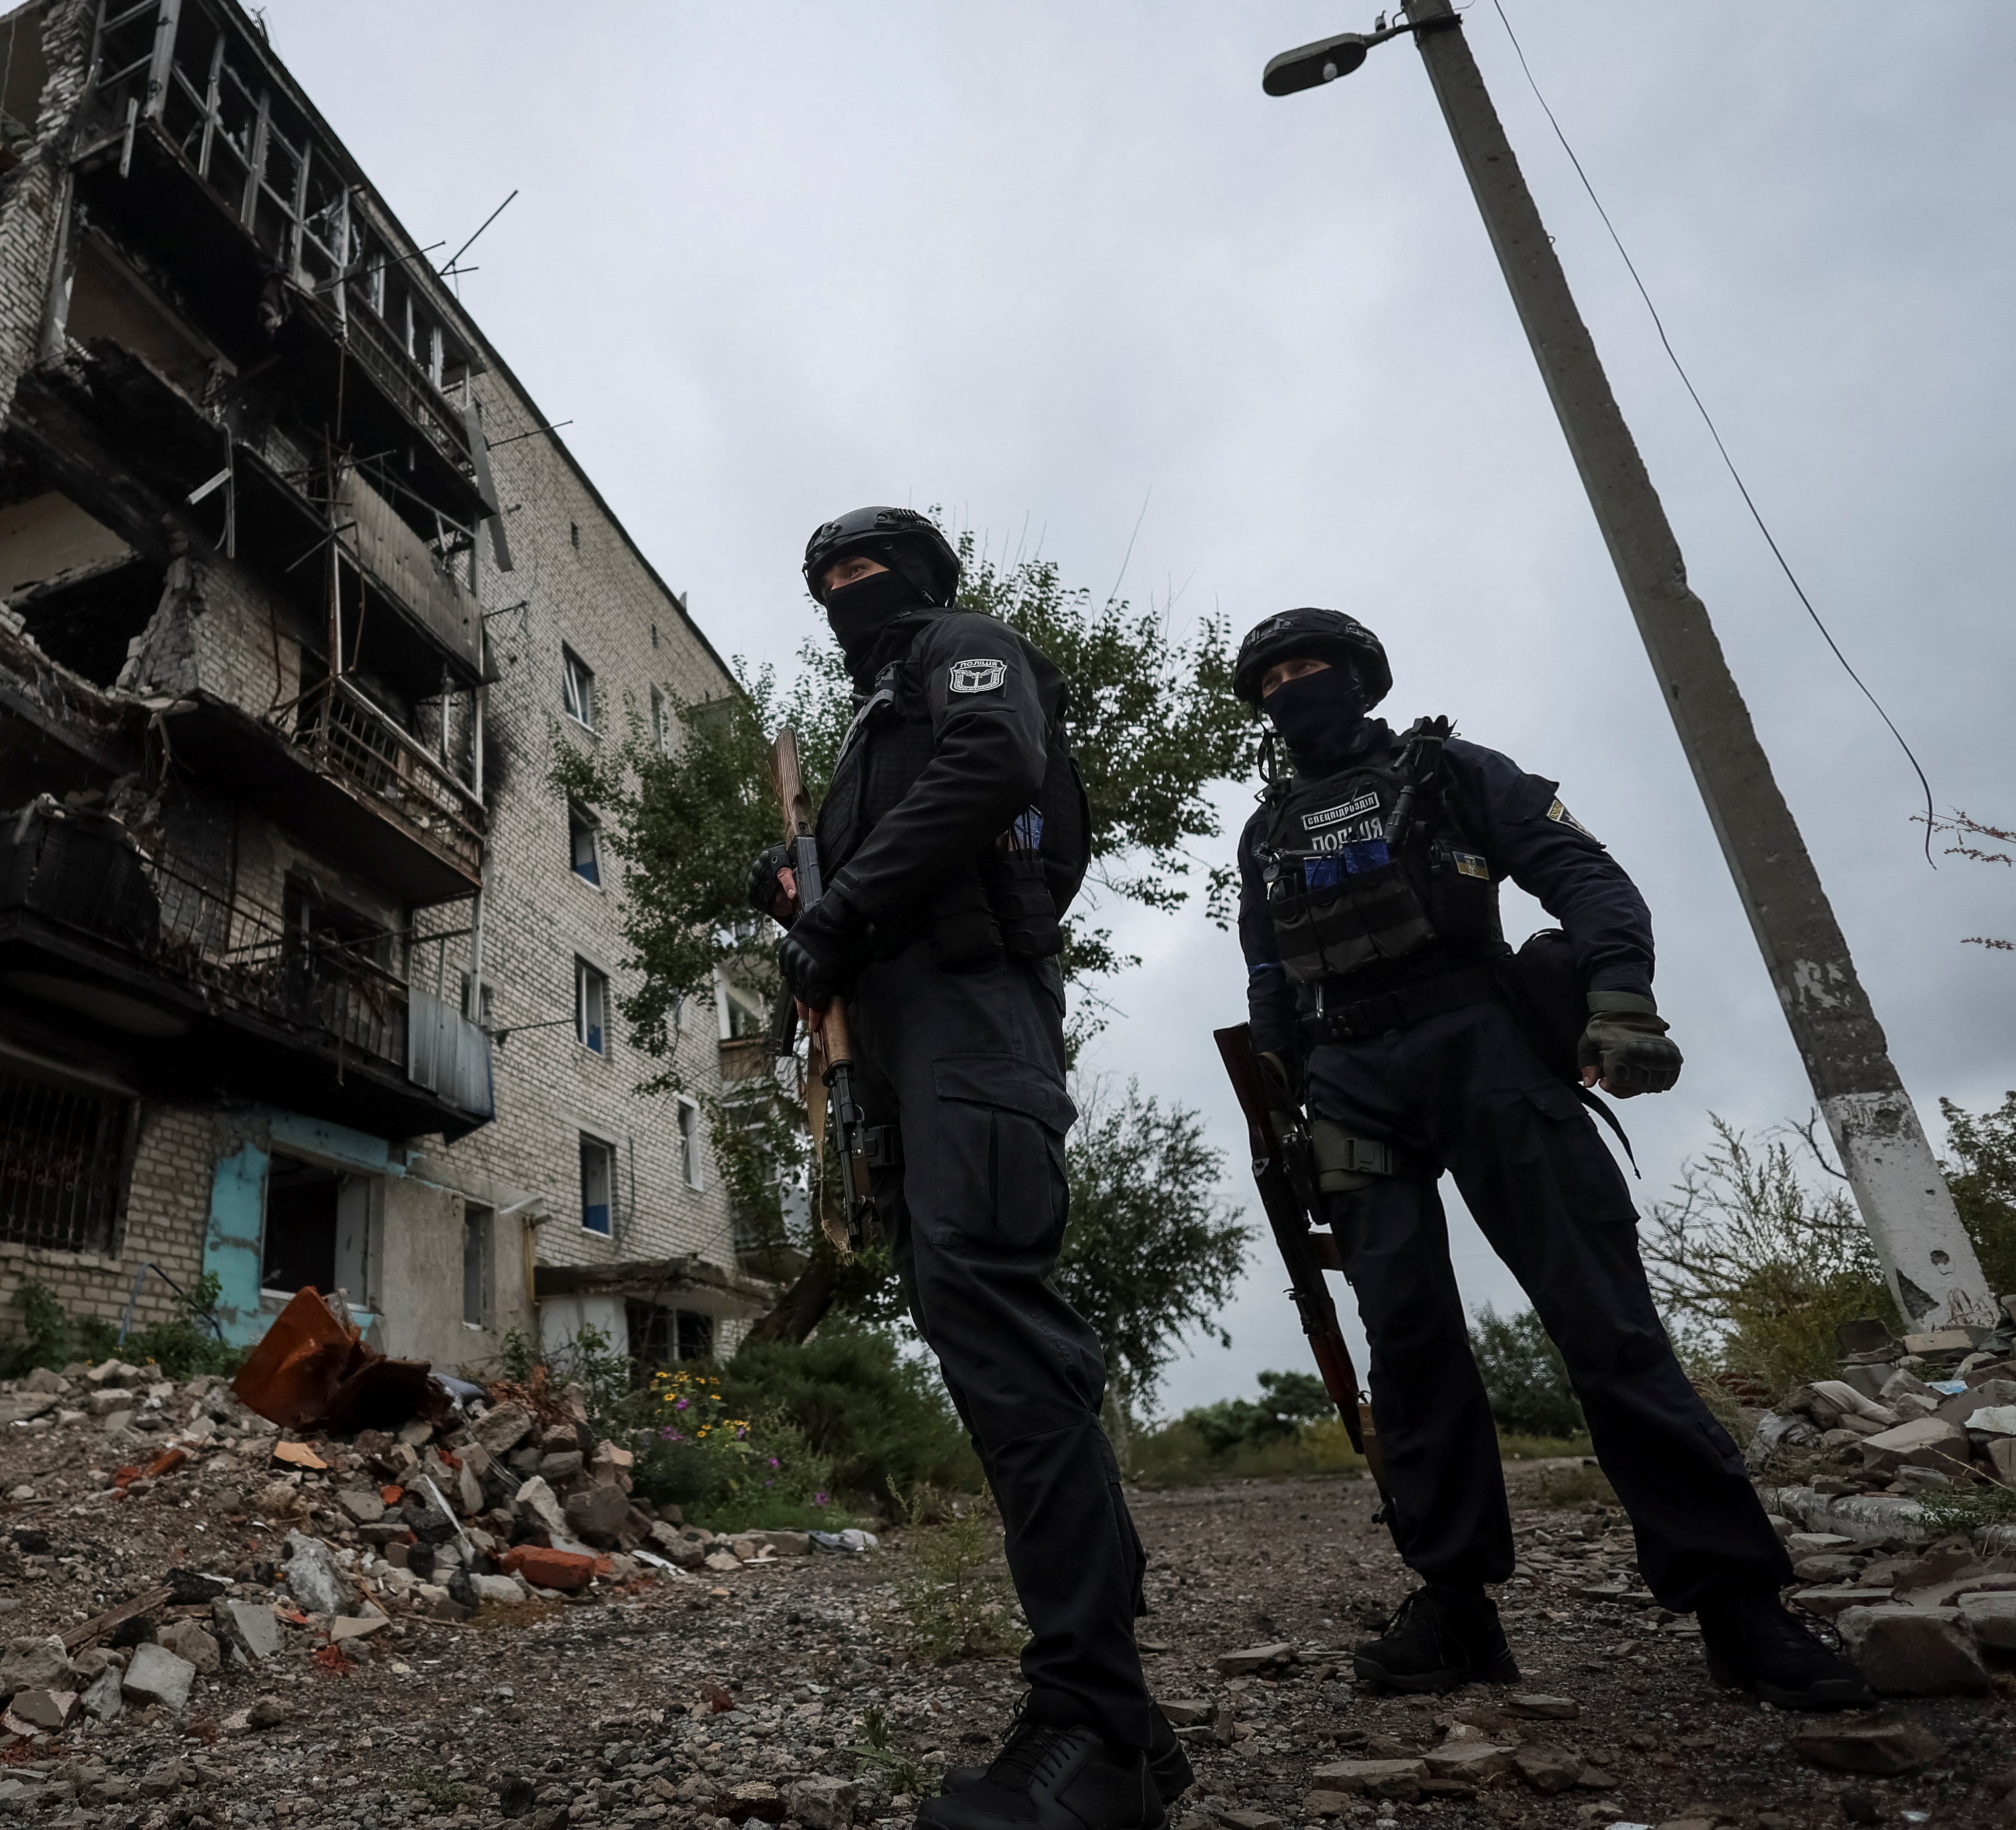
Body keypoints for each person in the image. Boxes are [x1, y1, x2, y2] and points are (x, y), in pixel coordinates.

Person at [1229, 607, 1868, 1711]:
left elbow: (1584, 875)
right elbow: (1268, 974)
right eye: (1273, 674)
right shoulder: (1266, 829)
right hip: (1346, 1080)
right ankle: (1454, 1606)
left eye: (1312, 665)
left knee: (1603, 1323)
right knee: (1408, 1343)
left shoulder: (1454, 771)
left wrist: (1619, 996)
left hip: (1483, 1046)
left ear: (1361, 679)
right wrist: (1281, 1101)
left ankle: (1737, 1603)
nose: (1293, 684)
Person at [753, 507, 1185, 1830]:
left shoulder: (967, 650)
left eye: (864, 570)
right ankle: (1115, 1716)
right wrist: (799, 879)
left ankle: (1098, 1725)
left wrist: (842, 902)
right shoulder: (861, 733)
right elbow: (859, 873)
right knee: (979, 1331)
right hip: (897, 1045)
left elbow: (994, 763)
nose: (844, 592)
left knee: (1004, 1331)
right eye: (824, 580)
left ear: (927, 581)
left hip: (969, 1018)